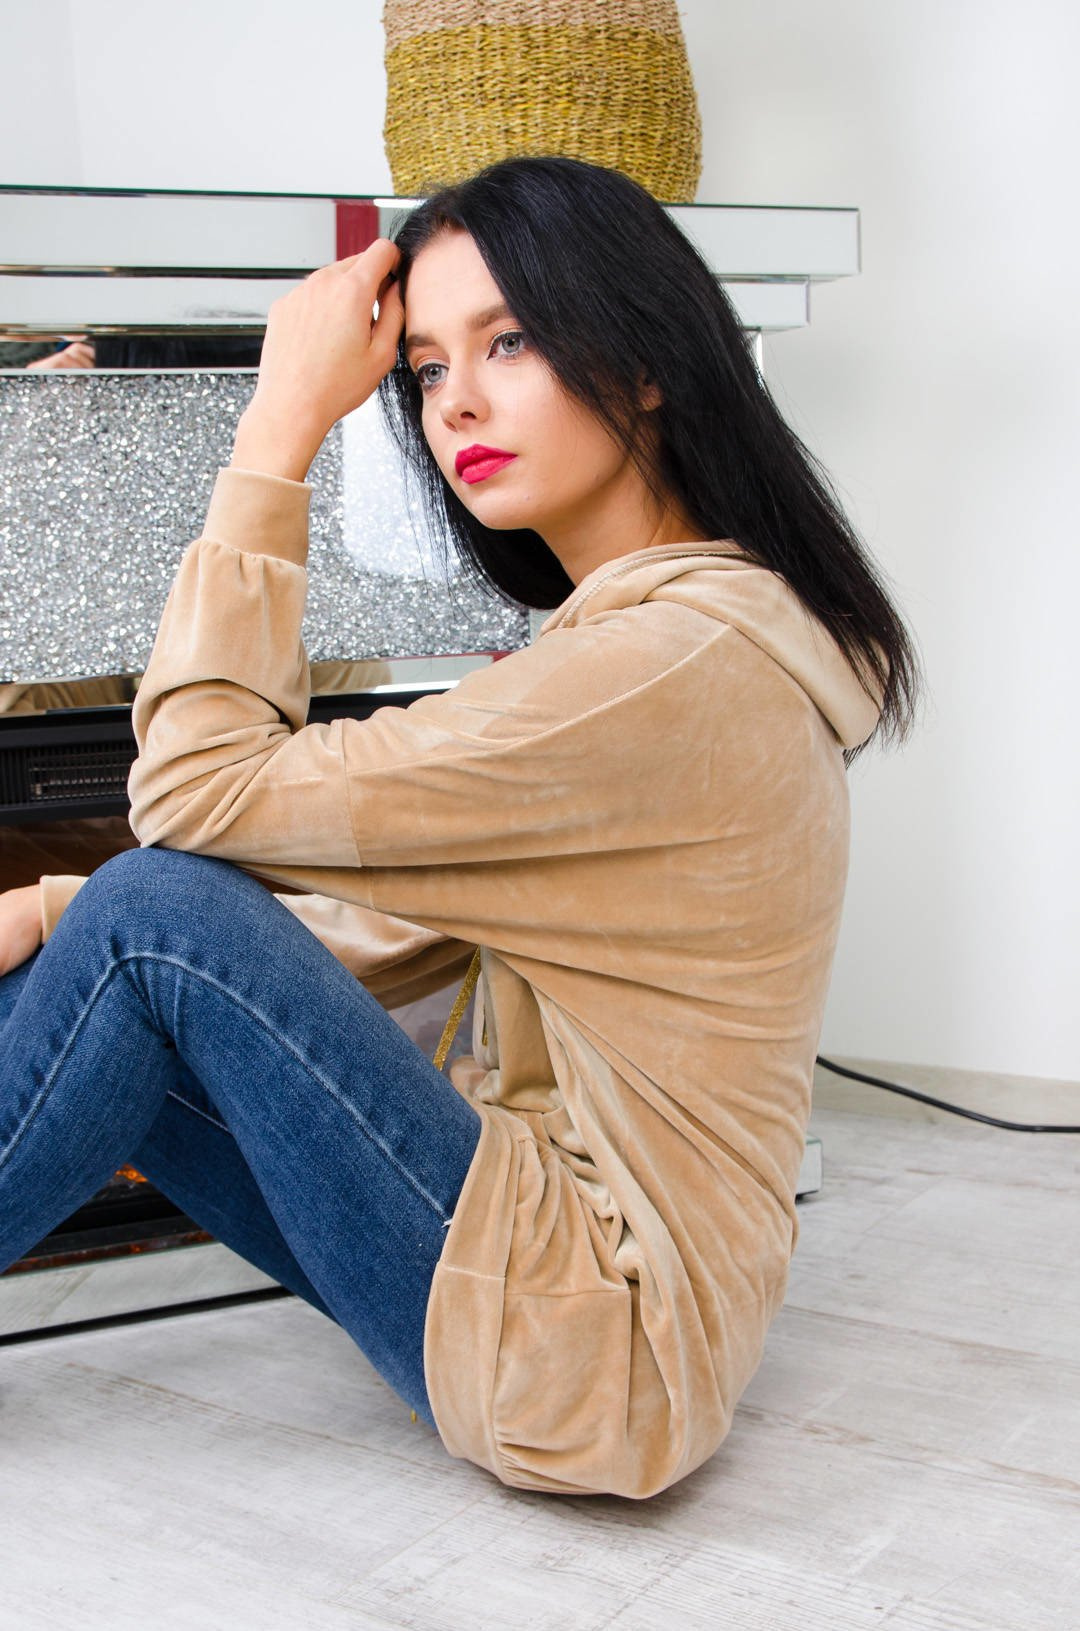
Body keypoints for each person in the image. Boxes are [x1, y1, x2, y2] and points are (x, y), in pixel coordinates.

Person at [0, 155, 922, 1499]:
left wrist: (279, 425)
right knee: (95, 948)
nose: (458, 404)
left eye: (512, 341)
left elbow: (193, 792)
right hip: (563, 1323)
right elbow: (394, 934)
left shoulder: (655, 671)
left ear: (646, 363)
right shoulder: (686, 644)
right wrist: (44, 909)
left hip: (587, 1347)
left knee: (151, 910)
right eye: (428, 368)